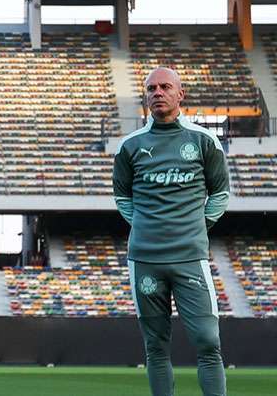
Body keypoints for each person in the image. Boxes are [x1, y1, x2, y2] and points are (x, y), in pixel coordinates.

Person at [113, 67, 230, 396]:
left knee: (208, 341)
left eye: (165, 87)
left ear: (181, 94)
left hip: (190, 256)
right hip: (145, 259)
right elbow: (122, 197)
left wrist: (196, 226)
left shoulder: (203, 140)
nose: (158, 93)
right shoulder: (130, 146)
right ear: (145, 96)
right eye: (151, 88)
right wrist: (146, 225)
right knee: (155, 345)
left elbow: (220, 193)